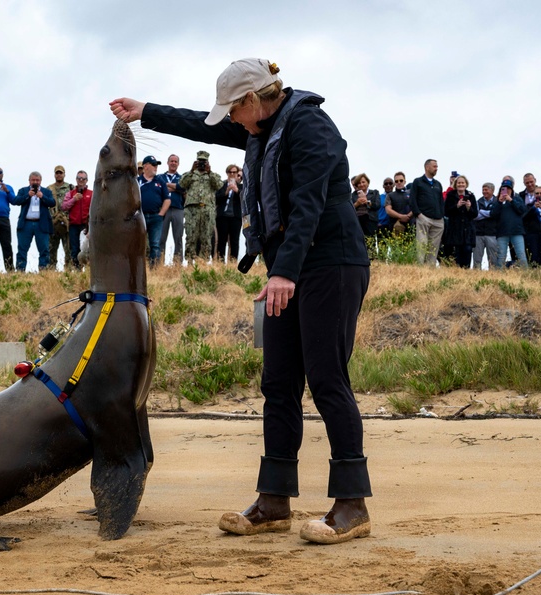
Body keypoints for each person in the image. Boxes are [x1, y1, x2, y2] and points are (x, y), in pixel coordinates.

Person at [110, 57, 372, 545]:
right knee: (278, 382)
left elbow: (310, 203)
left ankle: (352, 505)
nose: (229, 119)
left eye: (232, 110)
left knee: (328, 378)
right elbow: (200, 127)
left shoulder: (310, 127)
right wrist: (144, 111)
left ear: (252, 101)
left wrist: (285, 273)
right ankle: (273, 501)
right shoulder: (260, 131)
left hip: (331, 264)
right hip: (289, 272)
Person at [180, 150, 224, 262]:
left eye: (204, 161)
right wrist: (191, 170)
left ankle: (203, 262)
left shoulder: (213, 175)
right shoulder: (189, 174)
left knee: (206, 237)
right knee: (191, 236)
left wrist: (210, 172)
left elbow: (219, 185)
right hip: (191, 209)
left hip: (207, 209)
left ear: (208, 162)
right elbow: (182, 184)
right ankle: (189, 261)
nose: (202, 164)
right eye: (200, 161)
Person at [11, 171, 55, 271]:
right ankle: (20, 270)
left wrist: (42, 196)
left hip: (41, 224)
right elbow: (16, 201)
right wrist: (27, 195)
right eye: (33, 180)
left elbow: (52, 203)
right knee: (22, 249)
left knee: (44, 249)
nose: (35, 182)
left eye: (37, 180)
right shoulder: (23, 190)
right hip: (26, 223)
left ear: (40, 181)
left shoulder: (46, 191)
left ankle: (43, 270)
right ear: (29, 181)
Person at [409, 159, 445, 265]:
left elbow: (441, 201)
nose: (436, 168)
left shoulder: (438, 184)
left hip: (438, 220)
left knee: (434, 246)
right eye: (434, 166)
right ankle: (420, 267)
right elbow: (412, 200)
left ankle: (430, 268)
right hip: (423, 217)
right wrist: (418, 214)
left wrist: (441, 215)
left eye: (437, 166)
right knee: (422, 244)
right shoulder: (418, 182)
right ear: (427, 167)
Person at [137, 155, 171, 266]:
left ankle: (154, 268)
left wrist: (161, 214)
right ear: (146, 166)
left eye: (157, 165)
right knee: (139, 243)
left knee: (155, 244)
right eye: (153, 165)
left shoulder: (160, 181)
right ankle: (140, 267)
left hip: (156, 217)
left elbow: (167, 199)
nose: (156, 167)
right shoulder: (137, 181)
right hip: (140, 217)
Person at [442, 175, 477, 268]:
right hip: (454, 230)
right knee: (456, 254)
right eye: (459, 183)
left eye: (463, 183)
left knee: (467, 250)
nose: (461, 184)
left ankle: (466, 272)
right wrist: (456, 206)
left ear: (466, 184)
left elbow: (475, 214)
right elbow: (446, 212)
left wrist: (469, 208)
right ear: (455, 184)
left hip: (467, 231)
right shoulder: (450, 195)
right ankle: (456, 273)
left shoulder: (471, 196)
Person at [492, 179, 528, 269]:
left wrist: (511, 201)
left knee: (521, 255)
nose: (506, 190)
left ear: (512, 189)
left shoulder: (517, 198)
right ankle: (499, 276)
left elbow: (522, 210)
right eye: (504, 188)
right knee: (501, 256)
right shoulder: (497, 201)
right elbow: (493, 214)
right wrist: (499, 202)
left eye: (508, 188)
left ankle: (526, 274)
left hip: (516, 231)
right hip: (502, 232)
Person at [62, 170, 93, 269]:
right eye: (79, 178)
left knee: (88, 249)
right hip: (73, 225)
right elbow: (64, 206)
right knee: (74, 249)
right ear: (76, 180)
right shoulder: (70, 194)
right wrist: (74, 199)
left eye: (83, 179)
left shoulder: (91, 194)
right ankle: (77, 270)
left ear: (86, 180)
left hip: (86, 226)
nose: (81, 180)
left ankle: (89, 270)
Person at [159, 154, 186, 265]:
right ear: (168, 162)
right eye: (172, 161)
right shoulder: (160, 177)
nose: (173, 163)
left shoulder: (182, 178)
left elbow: (183, 188)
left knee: (178, 237)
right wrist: (175, 188)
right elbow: (160, 189)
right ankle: (158, 263)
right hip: (163, 209)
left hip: (178, 209)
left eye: (175, 161)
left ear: (178, 164)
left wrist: (168, 186)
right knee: (161, 238)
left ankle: (177, 264)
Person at [215, 164, 243, 263]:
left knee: (234, 241)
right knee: (221, 241)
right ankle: (220, 262)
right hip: (222, 217)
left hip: (235, 217)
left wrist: (237, 191)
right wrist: (226, 191)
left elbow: (245, 200)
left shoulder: (242, 186)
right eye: (230, 172)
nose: (232, 174)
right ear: (227, 173)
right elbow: (216, 199)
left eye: (234, 172)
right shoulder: (221, 185)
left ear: (237, 174)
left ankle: (233, 262)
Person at [47, 165, 73, 269]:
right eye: (57, 173)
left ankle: (68, 269)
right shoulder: (49, 189)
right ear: (54, 175)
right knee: (52, 249)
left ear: (64, 174)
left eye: (60, 173)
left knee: (68, 248)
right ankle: (51, 270)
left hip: (66, 221)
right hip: (53, 221)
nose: (59, 175)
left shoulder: (70, 187)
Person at [473, 182, 499, 270]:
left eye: (486, 190)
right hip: (478, 233)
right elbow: (475, 216)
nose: (484, 192)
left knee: (493, 259)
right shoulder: (478, 201)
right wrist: (489, 213)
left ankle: (493, 277)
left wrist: (482, 211)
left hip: (492, 233)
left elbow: (495, 214)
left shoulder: (497, 201)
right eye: (483, 190)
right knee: (477, 259)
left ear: (492, 190)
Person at [350, 173, 380, 238]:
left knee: (370, 243)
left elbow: (377, 205)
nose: (362, 184)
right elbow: (349, 209)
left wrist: (367, 201)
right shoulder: (352, 195)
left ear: (368, 182)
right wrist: (357, 203)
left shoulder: (375, 193)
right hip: (357, 222)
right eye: (359, 183)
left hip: (370, 221)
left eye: (363, 182)